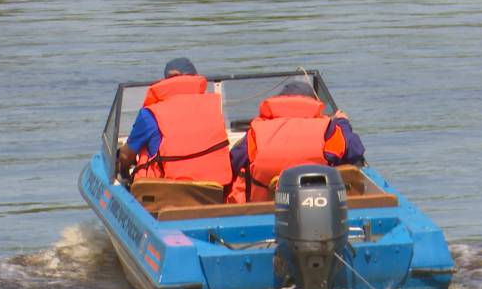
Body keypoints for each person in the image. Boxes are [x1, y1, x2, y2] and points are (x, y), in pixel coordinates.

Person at [227, 81, 365, 203]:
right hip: (319, 205)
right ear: (312, 103)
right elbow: (355, 150)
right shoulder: (328, 129)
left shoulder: (256, 132)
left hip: (265, 210)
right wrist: (342, 123)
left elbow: (232, 163)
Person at [117, 58, 232, 186]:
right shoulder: (213, 108)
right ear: (194, 78)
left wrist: (124, 174)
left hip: (167, 193)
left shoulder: (149, 114)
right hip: (215, 189)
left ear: (165, 81)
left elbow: (126, 156)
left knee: (143, 150)